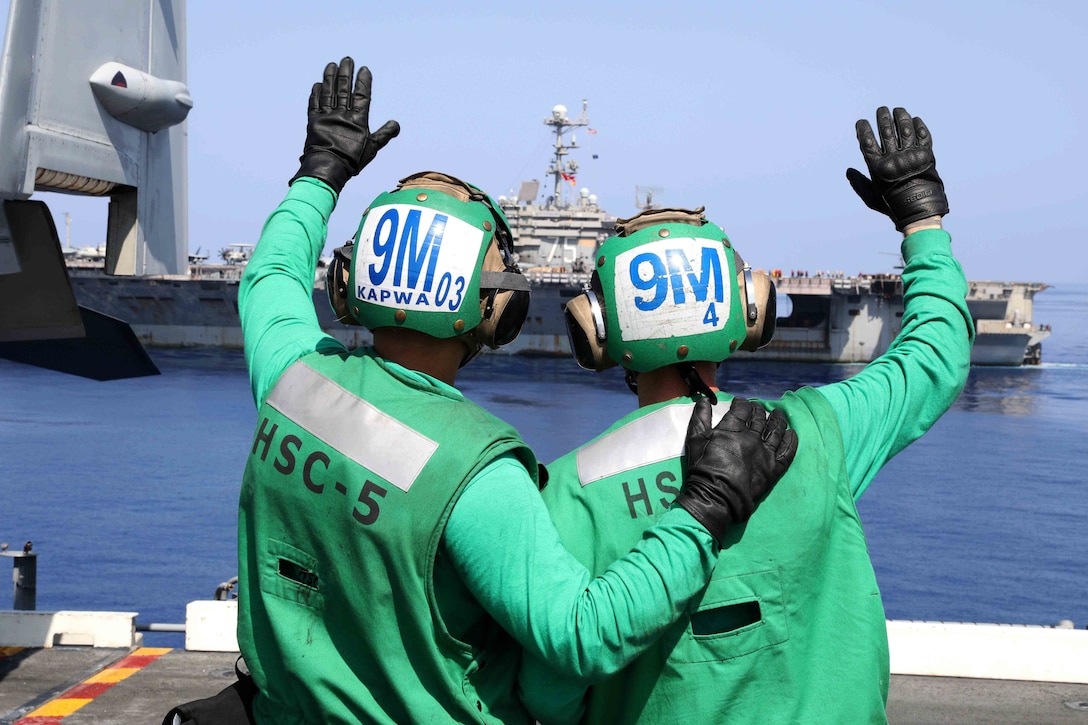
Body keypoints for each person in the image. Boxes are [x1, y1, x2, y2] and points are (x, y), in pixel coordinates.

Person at [234, 56, 797, 723]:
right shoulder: (480, 473)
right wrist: (705, 505)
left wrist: (320, 172)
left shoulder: (293, 377)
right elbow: (582, 637)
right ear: (492, 311)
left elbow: (269, 274)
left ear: (353, 279)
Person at [520, 106, 974, 723]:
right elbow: (934, 354)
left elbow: (549, 692)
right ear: (747, 308)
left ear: (597, 330)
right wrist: (922, 220)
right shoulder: (817, 433)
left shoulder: (563, 495)